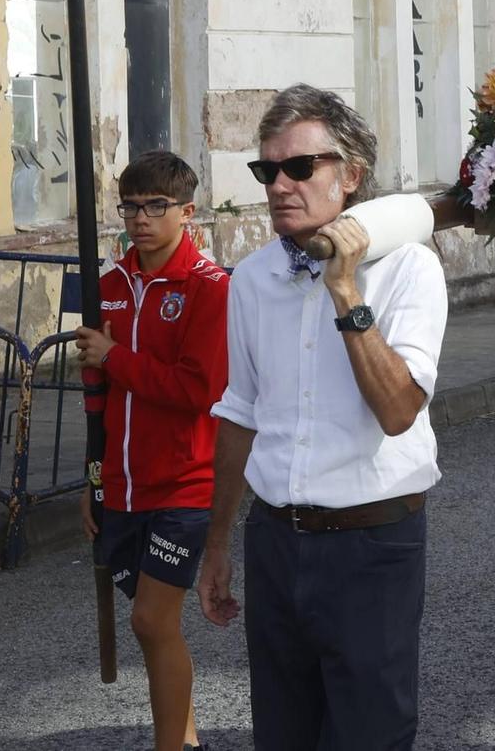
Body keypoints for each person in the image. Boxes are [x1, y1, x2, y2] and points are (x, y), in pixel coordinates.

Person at [198, 86, 448, 750]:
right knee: (282, 735)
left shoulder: (408, 270)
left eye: (300, 167)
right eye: (267, 170)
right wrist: (219, 542)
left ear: (351, 175)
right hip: (276, 541)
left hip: (372, 546)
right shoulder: (251, 280)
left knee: (369, 735)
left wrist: (345, 290)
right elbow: (240, 409)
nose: (281, 184)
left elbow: (398, 410)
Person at [72, 150, 230, 751]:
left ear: (186, 211)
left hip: (186, 486)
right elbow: (96, 396)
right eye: (131, 207)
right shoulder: (107, 286)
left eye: (155, 207)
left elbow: (199, 389)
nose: (141, 219)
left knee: (150, 620)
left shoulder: (210, 288)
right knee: (155, 625)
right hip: (122, 484)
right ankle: (185, 736)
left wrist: (116, 357)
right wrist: (92, 484)